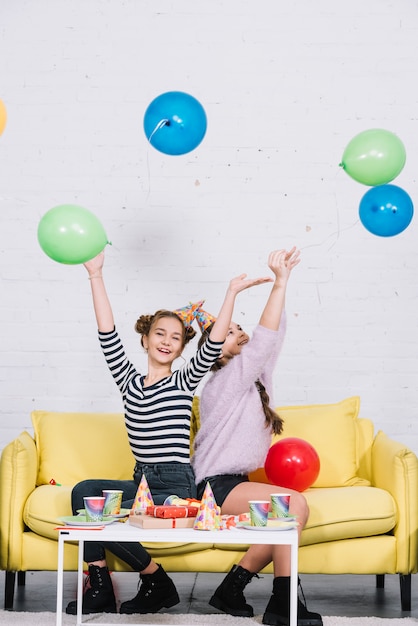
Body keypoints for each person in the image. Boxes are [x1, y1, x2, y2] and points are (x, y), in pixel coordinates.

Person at [66, 249, 273, 616]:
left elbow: (212, 343)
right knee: (84, 494)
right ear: (145, 339)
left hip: (174, 487)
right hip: (141, 479)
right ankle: (123, 581)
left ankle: (155, 583)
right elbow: (106, 333)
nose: (165, 340)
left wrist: (231, 294)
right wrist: (95, 276)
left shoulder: (183, 381)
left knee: (118, 519)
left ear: (180, 349)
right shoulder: (128, 381)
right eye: (158, 333)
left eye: (175, 337)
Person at [192, 248, 323, 626]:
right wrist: (279, 281)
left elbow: (273, 338)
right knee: (292, 507)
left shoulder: (253, 381)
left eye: (238, 327)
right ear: (214, 351)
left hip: (234, 483)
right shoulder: (222, 382)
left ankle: (230, 590)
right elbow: (264, 342)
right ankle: (284, 605)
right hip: (213, 487)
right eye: (231, 332)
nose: (241, 332)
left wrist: (281, 287)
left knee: (285, 521)